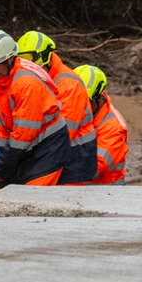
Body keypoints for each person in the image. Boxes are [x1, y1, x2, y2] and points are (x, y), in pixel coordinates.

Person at [0, 30, 70, 186]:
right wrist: (2, 159)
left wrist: (3, 165)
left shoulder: (26, 82)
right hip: (28, 145)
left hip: (51, 145)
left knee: (32, 193)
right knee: (16, 187)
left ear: (10, 59)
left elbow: (24, 133)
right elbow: (0, 124)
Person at [16, 31, 96, 184]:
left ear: (47, 60)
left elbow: (63, 135)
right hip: (51, 154)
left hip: (73, 163)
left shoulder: (69, 85)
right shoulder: (34, 81)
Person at [74, 65, 129, 185]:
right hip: (78, 192)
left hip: (106, 196)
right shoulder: (78, 112)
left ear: (99, 98)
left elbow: (95, 168)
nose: (78, 107)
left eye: (85, 103)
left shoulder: (114, 127)